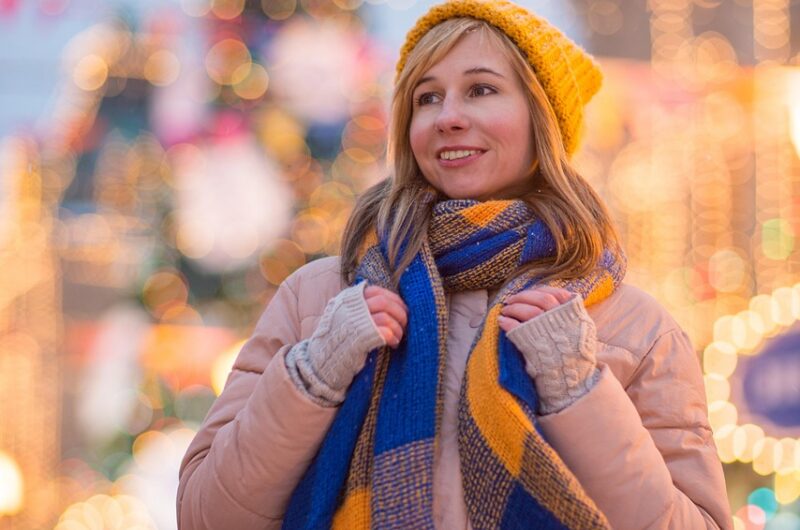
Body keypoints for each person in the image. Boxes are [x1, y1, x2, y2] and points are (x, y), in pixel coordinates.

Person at [177, 0, 733, 528]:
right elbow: (206, 517)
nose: (448, 117)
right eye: (426, 98)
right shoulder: (317, 298)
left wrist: (578, 389)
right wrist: (315, 373)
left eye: (481, 90)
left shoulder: (636, 327)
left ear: (543, 122)